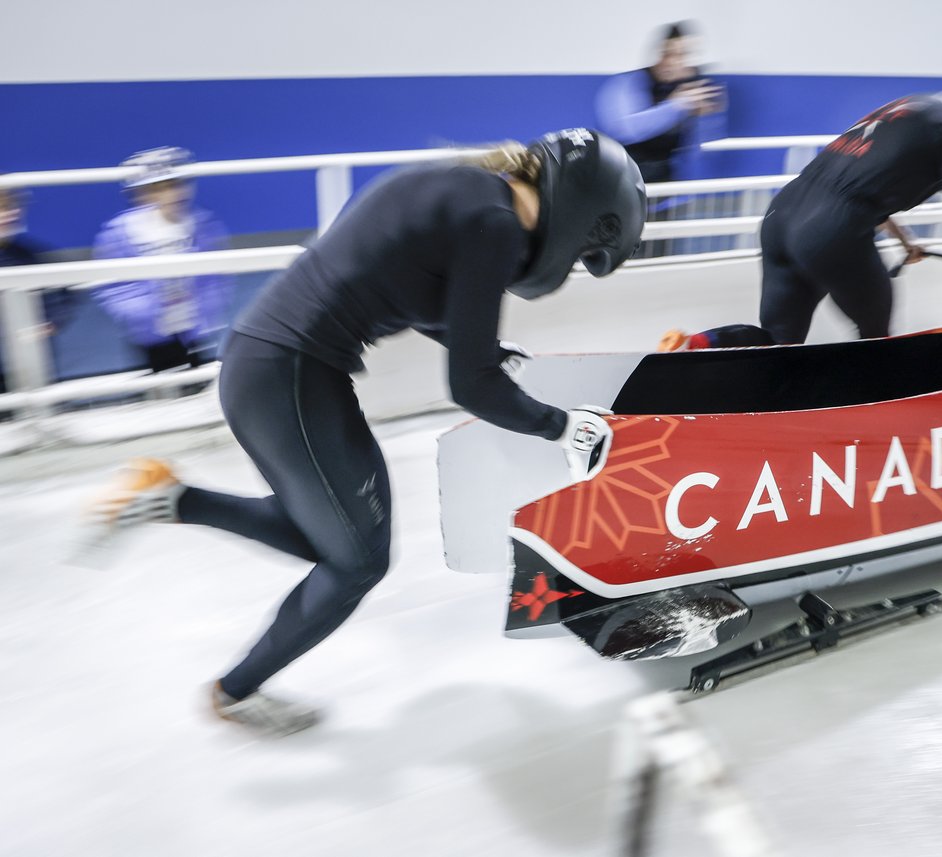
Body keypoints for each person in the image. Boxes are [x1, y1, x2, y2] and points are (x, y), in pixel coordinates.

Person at [85, 129, 646, 736]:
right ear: (588, 218)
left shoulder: (468, 188)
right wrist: (563, 427)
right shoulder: (496, 225)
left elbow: (402, 281)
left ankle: (169, 497)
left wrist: (480, 343)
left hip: (265, 362)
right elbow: (473, 388)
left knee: (337, 543)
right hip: (291, 376)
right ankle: (233, 692)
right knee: (355, 563)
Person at [660, 89, 942, 351]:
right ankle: (870, 415)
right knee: (875, 337)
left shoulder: (920, 106)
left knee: (777, 341)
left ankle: (696, 344)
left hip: (783, 214)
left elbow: (863, 177)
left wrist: (905, 242)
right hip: (831, 228)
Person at [92, 147, 231, 373]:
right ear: (141, 193)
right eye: (160, 188)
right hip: (150, 332)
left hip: (195, 326)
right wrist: (148, 313)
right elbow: (114, 285)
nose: (173, 194)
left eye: (177, 185)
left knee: (198, 378)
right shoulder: (121, 232)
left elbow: (215, 275)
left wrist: (205, 311)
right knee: (160, 383)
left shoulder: (201, 225)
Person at [595, 21, 724, 184]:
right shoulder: (629, 83)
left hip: (664, 184)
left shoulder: (689, 88)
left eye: (683, 56)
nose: (674, 62)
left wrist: (704, 117)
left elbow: (702, 148)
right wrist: (677, 105)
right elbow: (626, 129)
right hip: (622, 182)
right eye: (669, 54)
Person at [0, 182, 73, 395]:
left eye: (11, 206)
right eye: (0, 207)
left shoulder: (33, 255)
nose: (8, 214)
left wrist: (51, 324)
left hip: (29, 362)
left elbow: (64, 293)